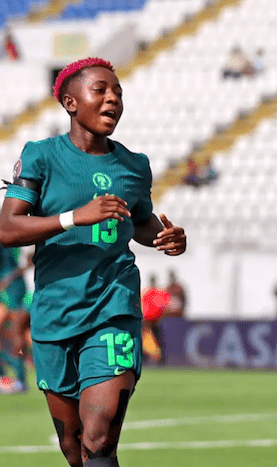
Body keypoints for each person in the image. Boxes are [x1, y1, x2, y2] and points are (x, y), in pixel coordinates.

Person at [0, 57, 187, 467]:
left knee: (99, 436)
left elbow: (141, 222)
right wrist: (74, 217)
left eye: (117, 92)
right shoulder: (40, 156)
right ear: (70, 102)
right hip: (54, 314)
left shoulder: (135, 165)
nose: (112, 99)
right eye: (100, 90)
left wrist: (164, 236)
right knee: (74, 448)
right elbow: (7, 228)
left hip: (113, 308)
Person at [0, 246, 32, 393]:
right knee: (20, 333)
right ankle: (17, 377)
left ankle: (20, 378)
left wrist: (9, 278)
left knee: (18, 332)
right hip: (17, 287)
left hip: (21, 289)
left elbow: (29, 260)